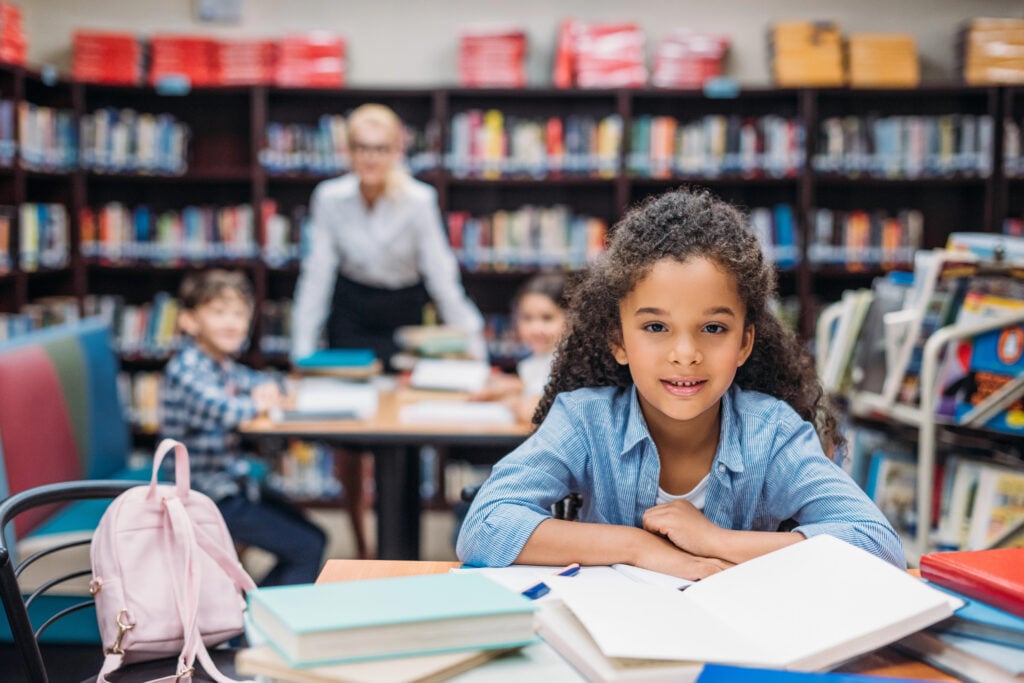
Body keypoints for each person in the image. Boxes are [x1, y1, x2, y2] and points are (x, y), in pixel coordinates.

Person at [457, 188, 905, 579]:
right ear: (619, 340)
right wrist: (639, 547)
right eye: (656, 328)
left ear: (745, 342)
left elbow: (876, 543)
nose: (685, 353)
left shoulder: (773, 433)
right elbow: (486, 526)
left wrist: (716, 541)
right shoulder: (585, 420)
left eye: (713, 329)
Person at [290, 104, 487, 558]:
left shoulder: (418, 201)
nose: (371, 158)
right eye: (361, 147)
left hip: (404, 311)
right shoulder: (329, 198)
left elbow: (442, 277)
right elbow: (316, 274)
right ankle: (361, 543)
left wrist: (475, 350)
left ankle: (401, 544)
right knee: (352, 431)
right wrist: (301, 354)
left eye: (381, 148)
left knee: (401, 422)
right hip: (352, 309)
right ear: (348, 151)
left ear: (397, 149)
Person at [161, 269, 327, 586]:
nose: (232, 323)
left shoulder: (221, 365)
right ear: (189, 321)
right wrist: (261, 400)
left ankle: (254, 614)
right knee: (307, 546)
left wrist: (268, 391)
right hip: (203, 495)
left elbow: (268, 382)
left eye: (239, 314)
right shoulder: (184, 370)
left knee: (313, 534)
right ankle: (252, 626)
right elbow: (226, 411)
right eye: (219, 313)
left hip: (231, 484)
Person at [472, 271, 569, 423]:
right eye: (527, 318)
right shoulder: (541, 359)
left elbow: (533, 412)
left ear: (571, 319)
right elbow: (532, 385)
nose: (535, 328)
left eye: (547, 318)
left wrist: (512, 402)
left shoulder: (570, 364)